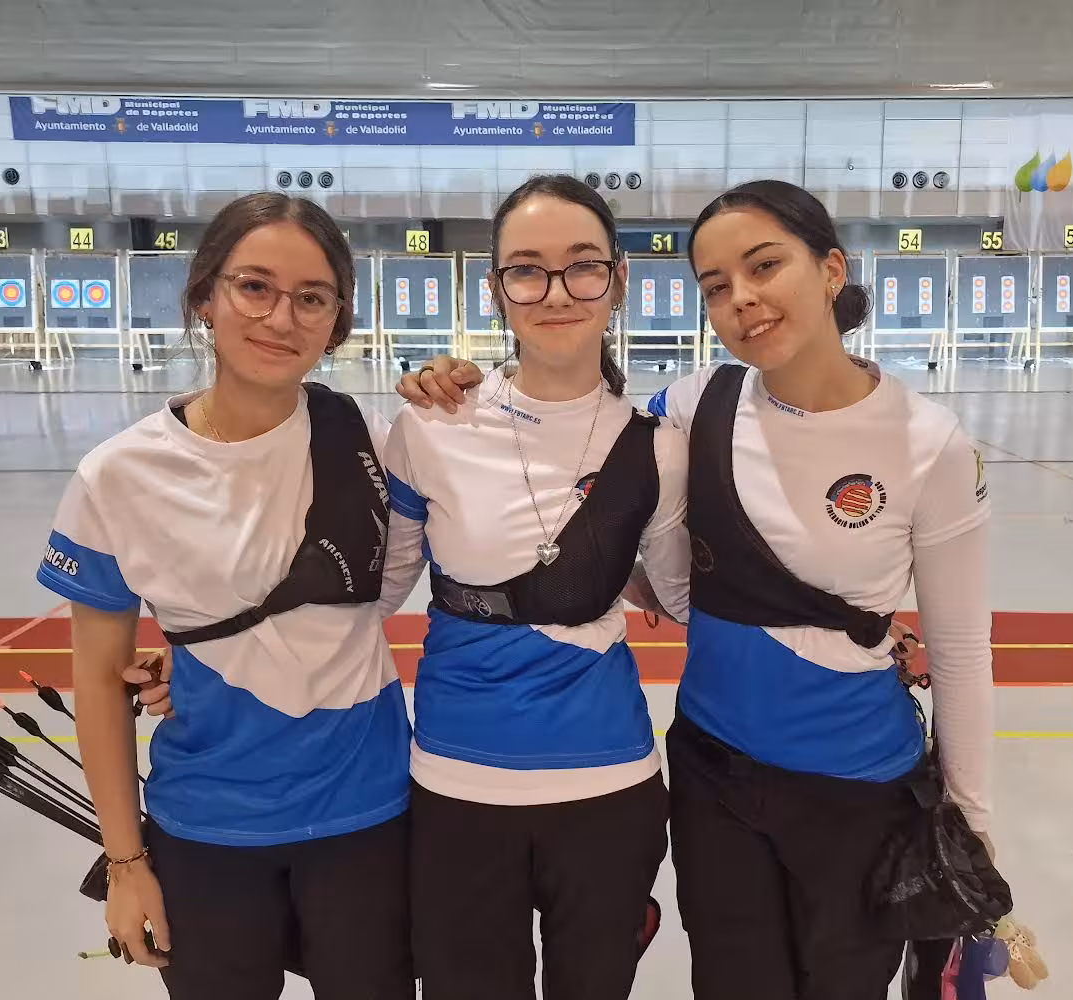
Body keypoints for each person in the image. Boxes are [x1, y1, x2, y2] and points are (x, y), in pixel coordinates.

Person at [398, 179, 996, 1000]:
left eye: (764, 266)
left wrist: (972, 823)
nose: (742, 299)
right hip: (715, 776)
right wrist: (454, 379)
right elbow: (592, 483)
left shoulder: (932, 445)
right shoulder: (692, 407)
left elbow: (961, 652)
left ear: (830, 269)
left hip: (857, 786)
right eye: (716, 286)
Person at [39, 192, 420, 1000]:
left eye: (312, 297)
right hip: (208, 827)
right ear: (204, 296)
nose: (282, 317)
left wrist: (459, 386)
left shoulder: (370, 444)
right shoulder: (117, 476)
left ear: (336, 319)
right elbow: (102, 688)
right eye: (255, 287)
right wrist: (126, 863)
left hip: (368, 817)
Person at [384, 174, 690, 1000]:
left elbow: (686, 599)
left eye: (583, 265)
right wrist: (199, 658)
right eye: (527, 269)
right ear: (496, 290)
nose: (556, 292)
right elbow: (366, 600)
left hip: (609, 786)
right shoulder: (430, 424)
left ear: (619, 280)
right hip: (456, 784)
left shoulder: (658, 446)